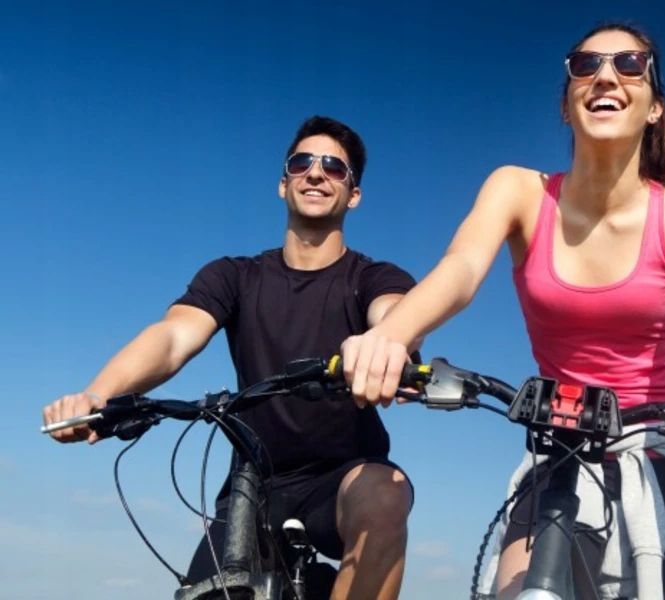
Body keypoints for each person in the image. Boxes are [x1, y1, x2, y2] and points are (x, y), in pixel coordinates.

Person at [339, 23, 665, 599]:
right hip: (562, 443)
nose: (605, 76)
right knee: (517, 589)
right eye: (585, 64)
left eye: (629, 64)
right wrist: (392, 335)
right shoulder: (518, 190)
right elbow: (461, 269)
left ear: (655, 108)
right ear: (566, 104)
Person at [42, 115, 418, 600]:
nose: (316, 173)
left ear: (354, 194)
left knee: (386, 495)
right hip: (252, 483)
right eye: (302, 162)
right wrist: (99, 394)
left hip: (345, 479)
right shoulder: (235, 276)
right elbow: (174, 336)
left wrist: (388, 341)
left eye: (334, 167)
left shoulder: (372, 278)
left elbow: (395, 315)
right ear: (283, 184)